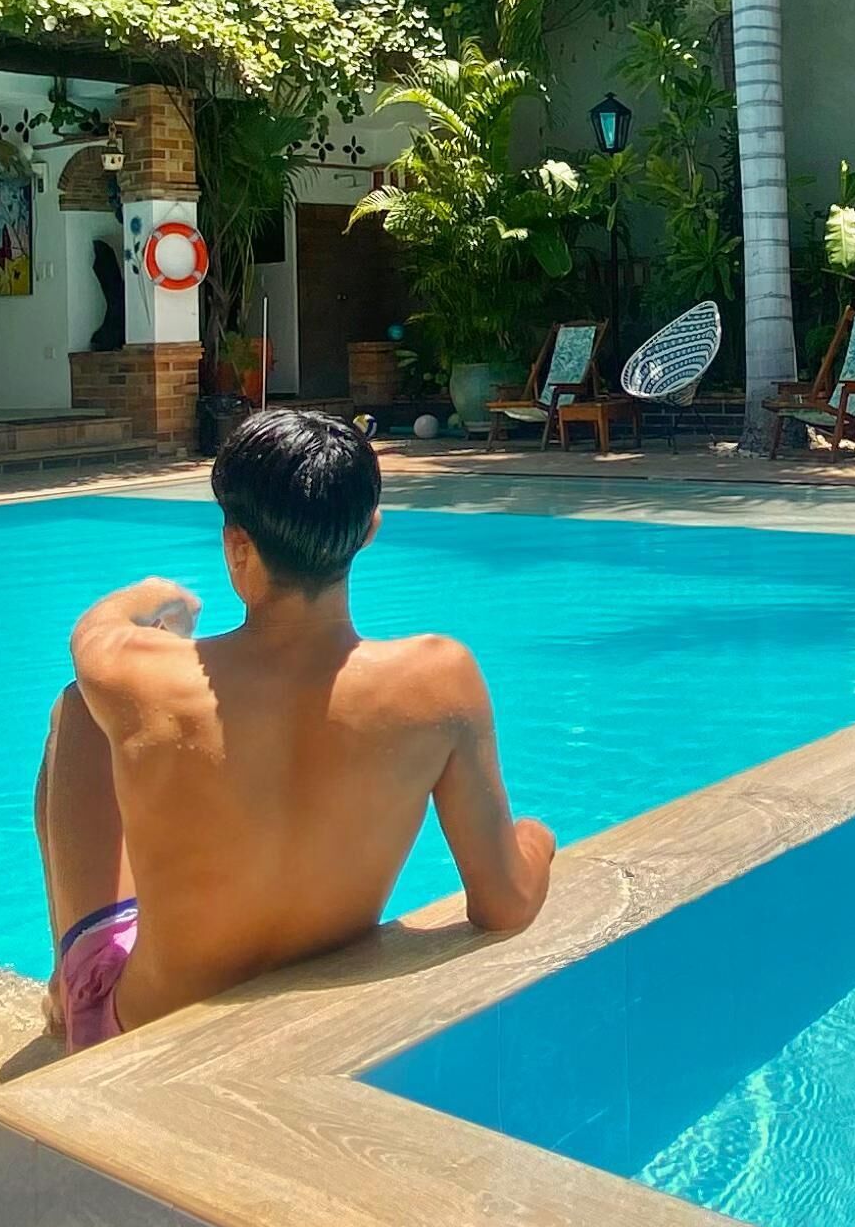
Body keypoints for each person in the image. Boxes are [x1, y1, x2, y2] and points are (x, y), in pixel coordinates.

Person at [39, 406, 555, 1049]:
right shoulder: (439, 681)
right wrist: (536, 839)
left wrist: (154, 593)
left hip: (139, 1028)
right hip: (316, 1019)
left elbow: (92, 633)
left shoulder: (143, 675)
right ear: (369, 529)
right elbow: (503, 905)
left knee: (77, 707)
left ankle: (72, 990)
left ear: (237, 545)